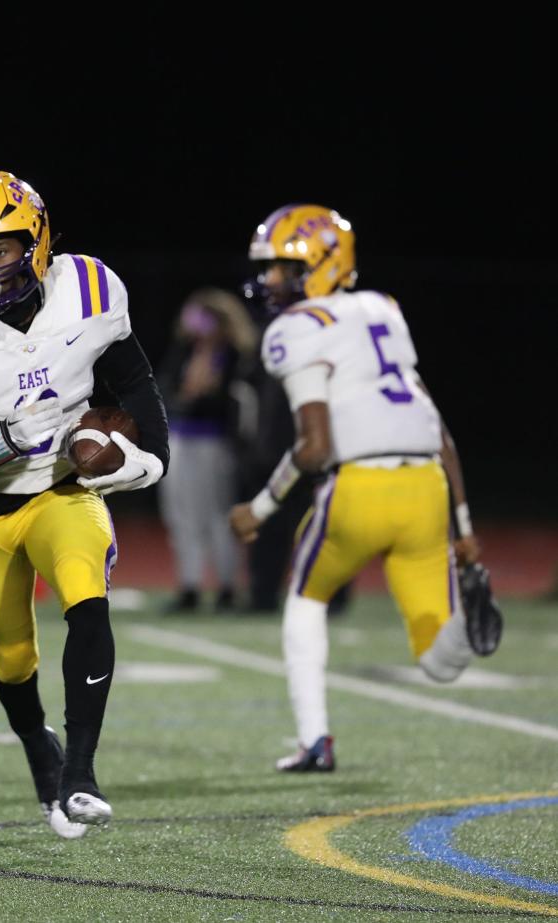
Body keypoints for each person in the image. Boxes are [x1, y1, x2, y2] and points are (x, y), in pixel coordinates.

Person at [0, 170, 169, 837]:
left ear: (37, 240)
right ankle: (36, 745)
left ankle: (80, 772)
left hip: (62, 490)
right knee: (12, 655)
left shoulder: (91, 290)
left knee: (87, 598)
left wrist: (144, 462)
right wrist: (8, 440)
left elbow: (137, 386)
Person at [229, 204, 484, 772]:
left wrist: (262, 507)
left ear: (318, 266)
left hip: (360, 488)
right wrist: (462, 528)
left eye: (281, 268)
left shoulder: (298, 329)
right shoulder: (380, 309)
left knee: (303, 598)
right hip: (426, 487)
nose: (270, 280)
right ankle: (468, 625)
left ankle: (314, 740)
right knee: (439, 661)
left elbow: (314, 446)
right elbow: (439, 430)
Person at [155, 288, 256, 612]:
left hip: (214, 442)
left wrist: (204, 391)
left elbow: (225, 403)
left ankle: (227, 586)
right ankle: (190, 586)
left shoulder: (234, 357)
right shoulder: (184, 351)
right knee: (182, 515)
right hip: (181, 439)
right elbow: (166, 390)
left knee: (217, 514)